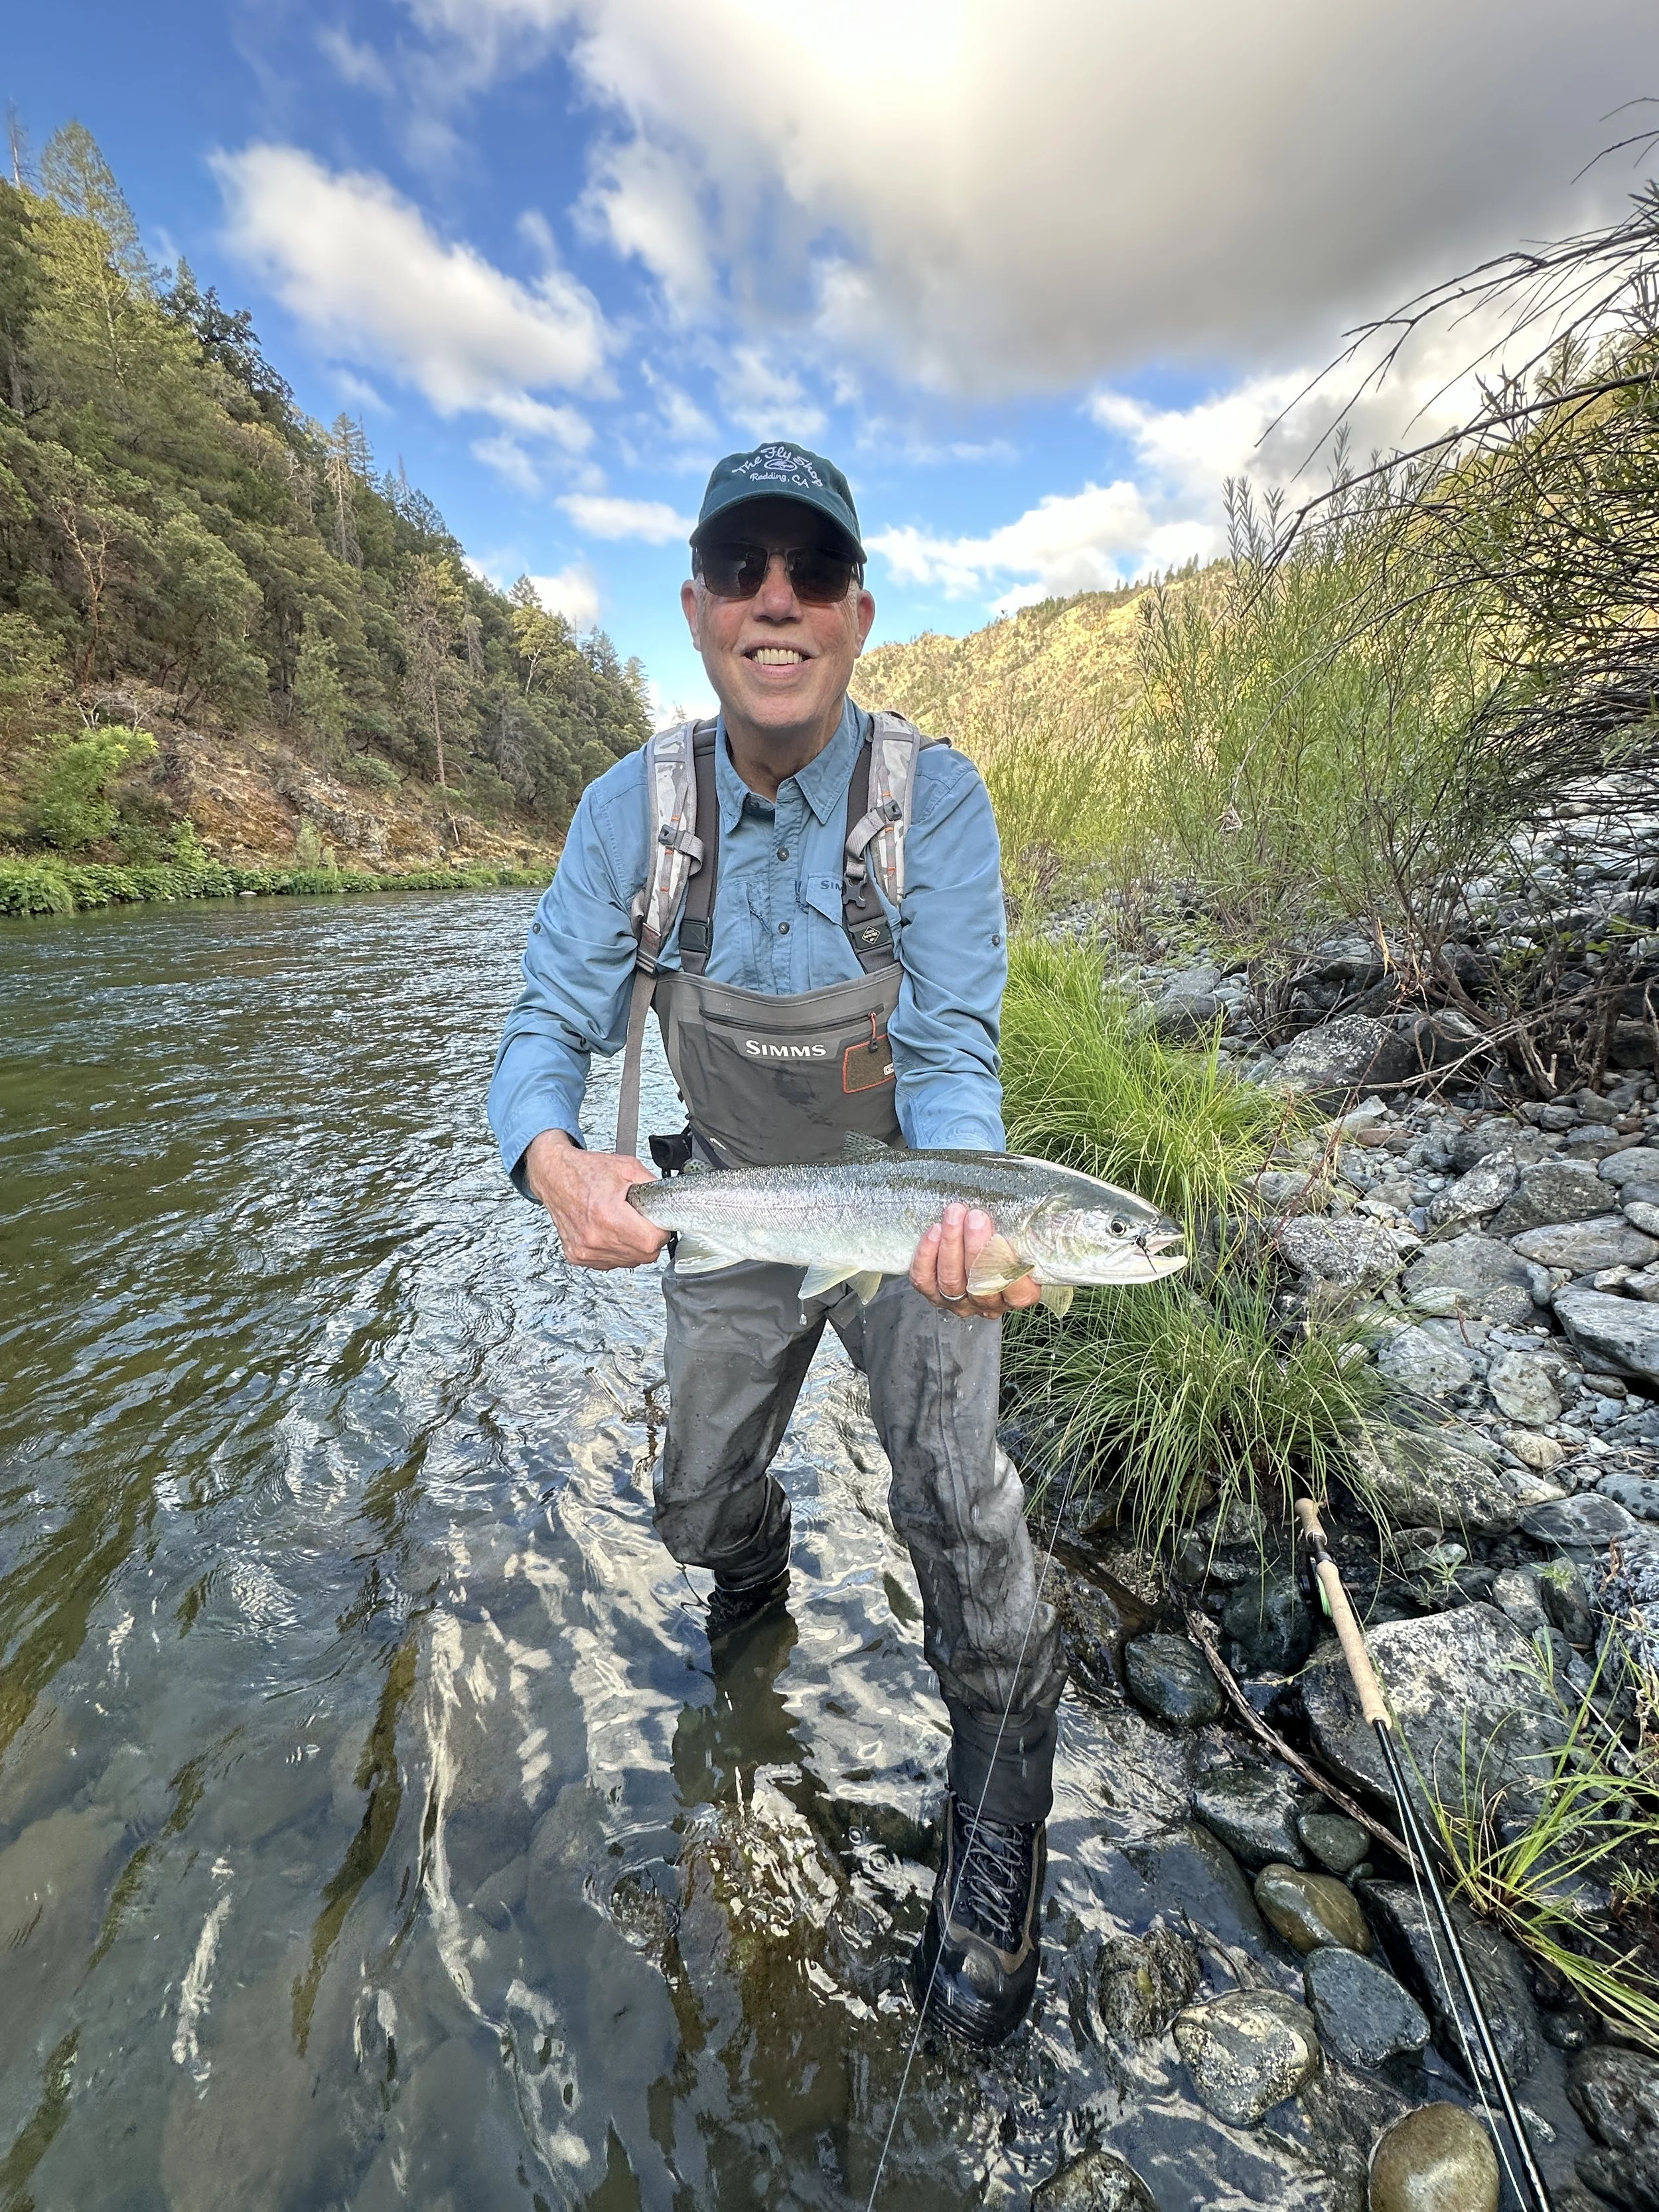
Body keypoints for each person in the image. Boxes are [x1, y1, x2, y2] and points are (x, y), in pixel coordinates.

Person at [487, 439, 1064, 2049]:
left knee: (958, 1496)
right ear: (696, 607)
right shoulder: (635, 814)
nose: (775, 600)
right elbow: (548, 1012)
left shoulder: (926, 804)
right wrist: (553, 1159)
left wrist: (964, 1215)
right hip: (732, 1196)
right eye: (742, 567)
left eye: (809, 571)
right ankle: (750, 1580)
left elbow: (952, 1053)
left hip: (904, 1191)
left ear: (857, 610)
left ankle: (999, 1793)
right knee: (687, 1497)